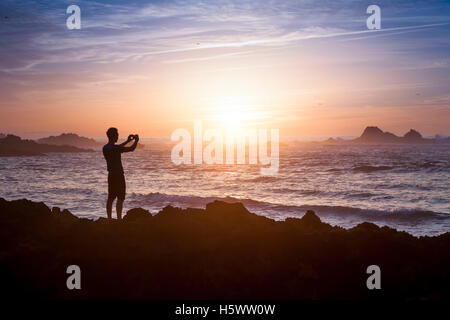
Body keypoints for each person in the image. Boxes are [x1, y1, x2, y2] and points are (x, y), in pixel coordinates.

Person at [103, 127, 139, 219]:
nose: (118, 137)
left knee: (110, 198)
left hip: (111, 175)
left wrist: (127, 141)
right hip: (118, 175)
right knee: (120, 198)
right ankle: (119, 219)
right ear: (114, 136)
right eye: (117, 135)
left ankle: (109, 219)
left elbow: (118, 147)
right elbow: (131, 149)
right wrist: (136, 141)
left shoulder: (105, 148)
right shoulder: (115, 148)